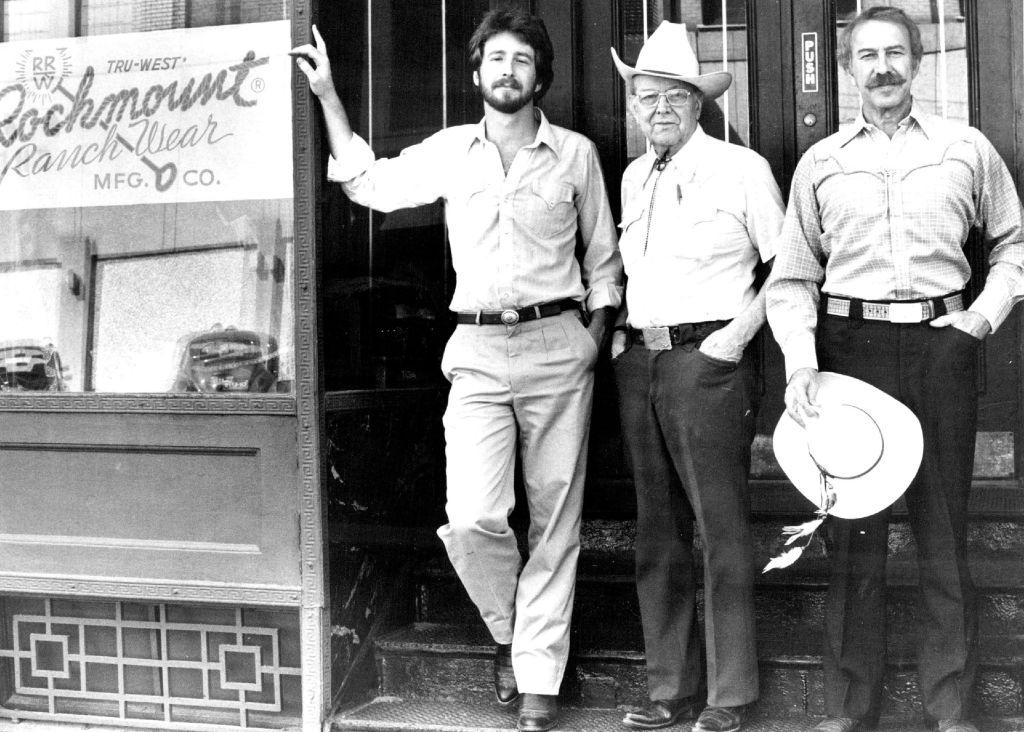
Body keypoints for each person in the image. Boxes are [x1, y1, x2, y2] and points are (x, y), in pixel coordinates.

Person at [291, 9, 622, 732]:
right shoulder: (451, 151)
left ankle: (538, 678)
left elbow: (603, 260)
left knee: (556, 520)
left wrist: (593, 336)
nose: (508, 70)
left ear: (540, 77)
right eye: (496, 58)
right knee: (473, 516)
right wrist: (329, 96)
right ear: (477, 73)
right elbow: (367, 183)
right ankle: (512, 632)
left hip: (558, 346)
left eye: (522, 60)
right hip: (476, 351)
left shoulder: (575, 155)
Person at [765, 7, 1024, 732]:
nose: (882, 67)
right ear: (847, 68)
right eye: (867, 55)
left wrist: (980, 319)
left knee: (943, 528)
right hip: (851, 351)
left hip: (942, 347)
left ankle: (951, 706)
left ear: (918, 62)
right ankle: (850, 706)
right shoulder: (821, 162)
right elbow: (792, 278)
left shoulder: (965, 149)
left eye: (896, 53)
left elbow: (1014, 243)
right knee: (854, 530)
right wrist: (802, 362)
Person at [608, 22, 784, 732]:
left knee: (721, 529)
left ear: (699, 102)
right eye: (646, 96)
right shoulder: (633, 176)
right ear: (633, 106)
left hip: (708, 364)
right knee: (658, 532)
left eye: (675, 96)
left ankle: (729, 696)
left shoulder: (742, 169)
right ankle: (670, 690)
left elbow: (789, 265)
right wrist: (621, 340)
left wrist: (734, 339)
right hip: (642, 363)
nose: (659, 109)